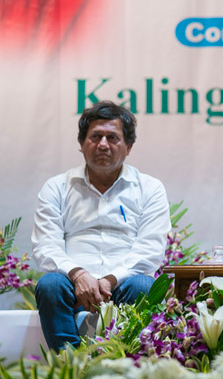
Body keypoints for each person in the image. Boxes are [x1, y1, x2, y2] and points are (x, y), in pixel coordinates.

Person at [31, 101, 171, 350]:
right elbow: (46, 246)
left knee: (144, 286)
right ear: (82, 144)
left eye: (112, 137)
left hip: (123, 283)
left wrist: (109, 280)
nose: (103, 144)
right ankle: (71, 366)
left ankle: (123, 366)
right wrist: (79, 275)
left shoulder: (149, 188)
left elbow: (151, 249)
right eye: (95, 136)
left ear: (128, 147)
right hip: (71, 283)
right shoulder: (57, 187)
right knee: (50, 284)